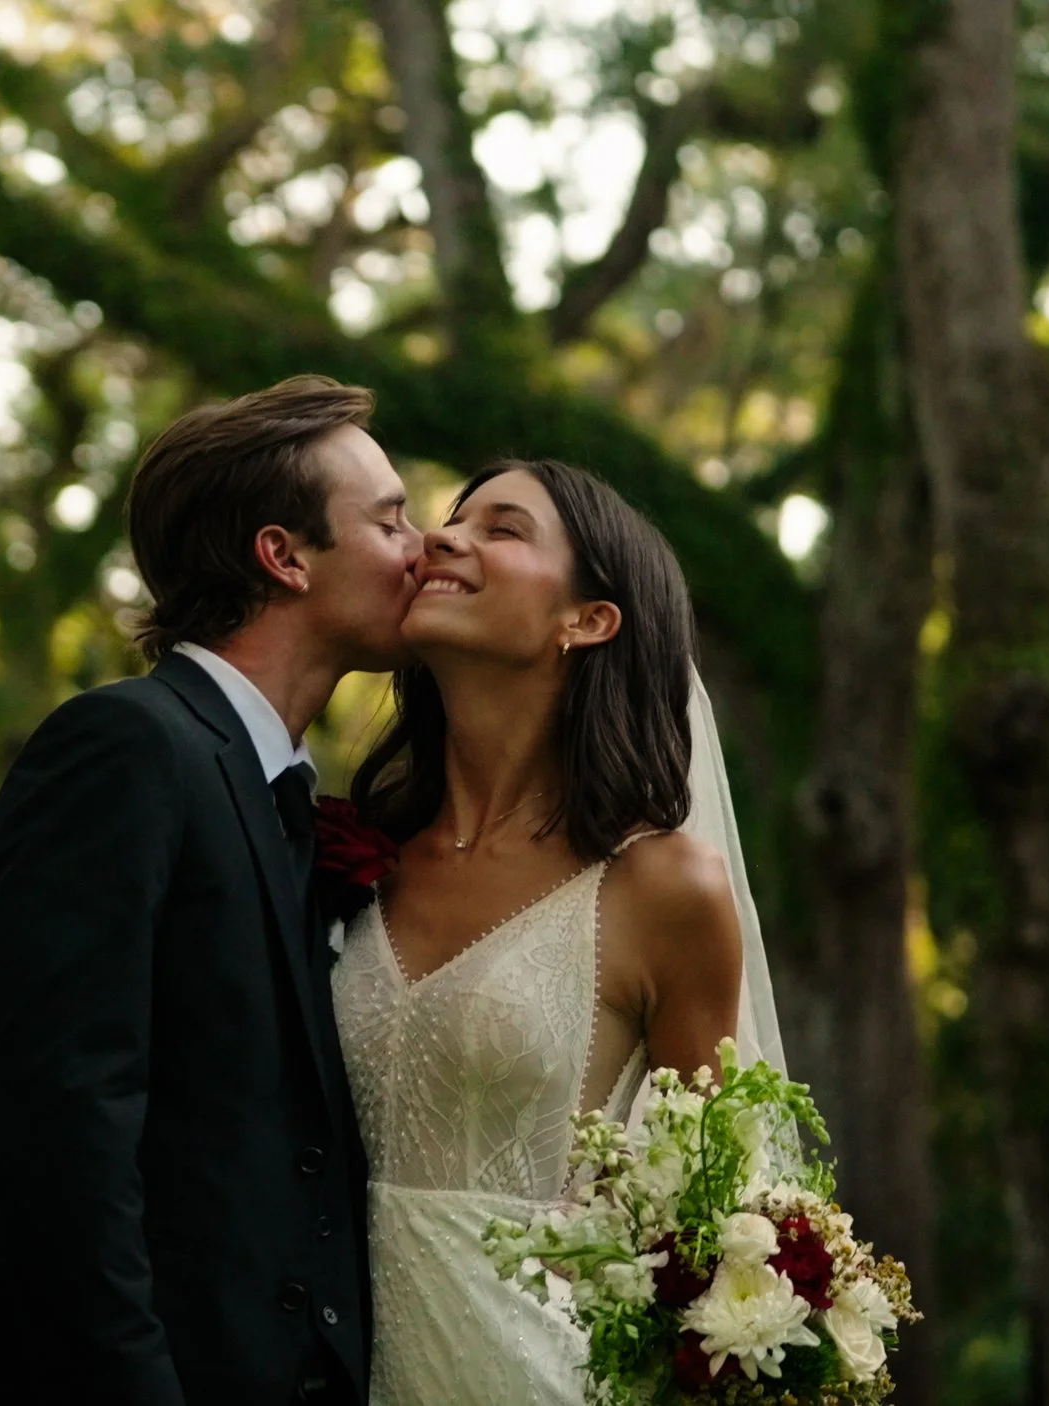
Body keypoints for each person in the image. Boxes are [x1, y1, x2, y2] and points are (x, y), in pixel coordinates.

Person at [0, 375, 422, 1405]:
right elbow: (62, 1137)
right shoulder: (124, 748)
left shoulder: (290, 795)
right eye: (389, 519)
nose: (420, 547)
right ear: (283, 555)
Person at [329, 458, 782, 1403]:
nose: (443, 536)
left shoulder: (663, 888)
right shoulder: (353, 860)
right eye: (449, 520)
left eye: (502, 528)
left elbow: (713, 1232)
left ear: (589, 619)